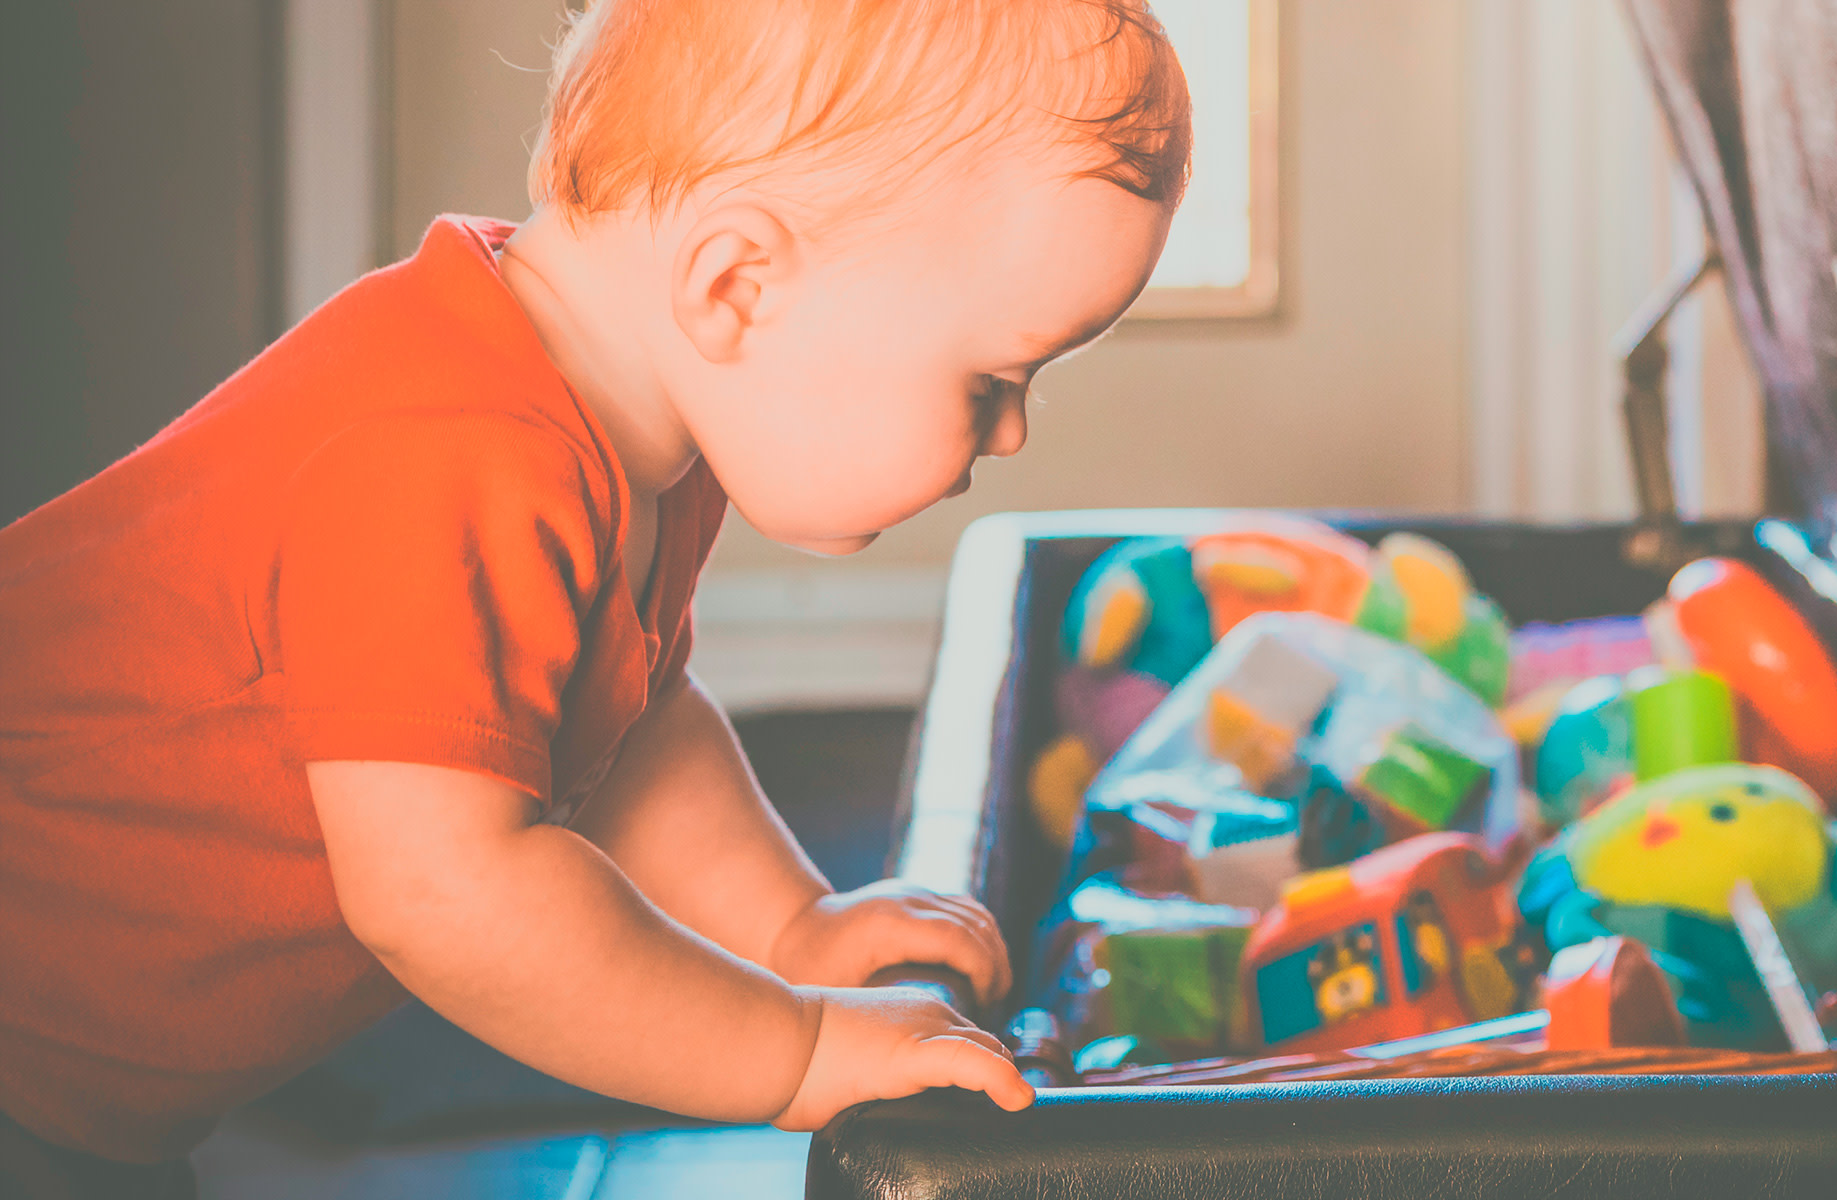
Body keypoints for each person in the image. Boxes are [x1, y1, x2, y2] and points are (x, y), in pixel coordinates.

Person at [0, 0, 1189, 1192]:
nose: (1013, 432)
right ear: (736, 286)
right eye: (992, 378)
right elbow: (446, 894)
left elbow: (628, 729)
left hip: (92, 1099)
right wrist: (793, 1045)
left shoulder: (625, 447)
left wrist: (787, 930)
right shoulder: (441, 449)